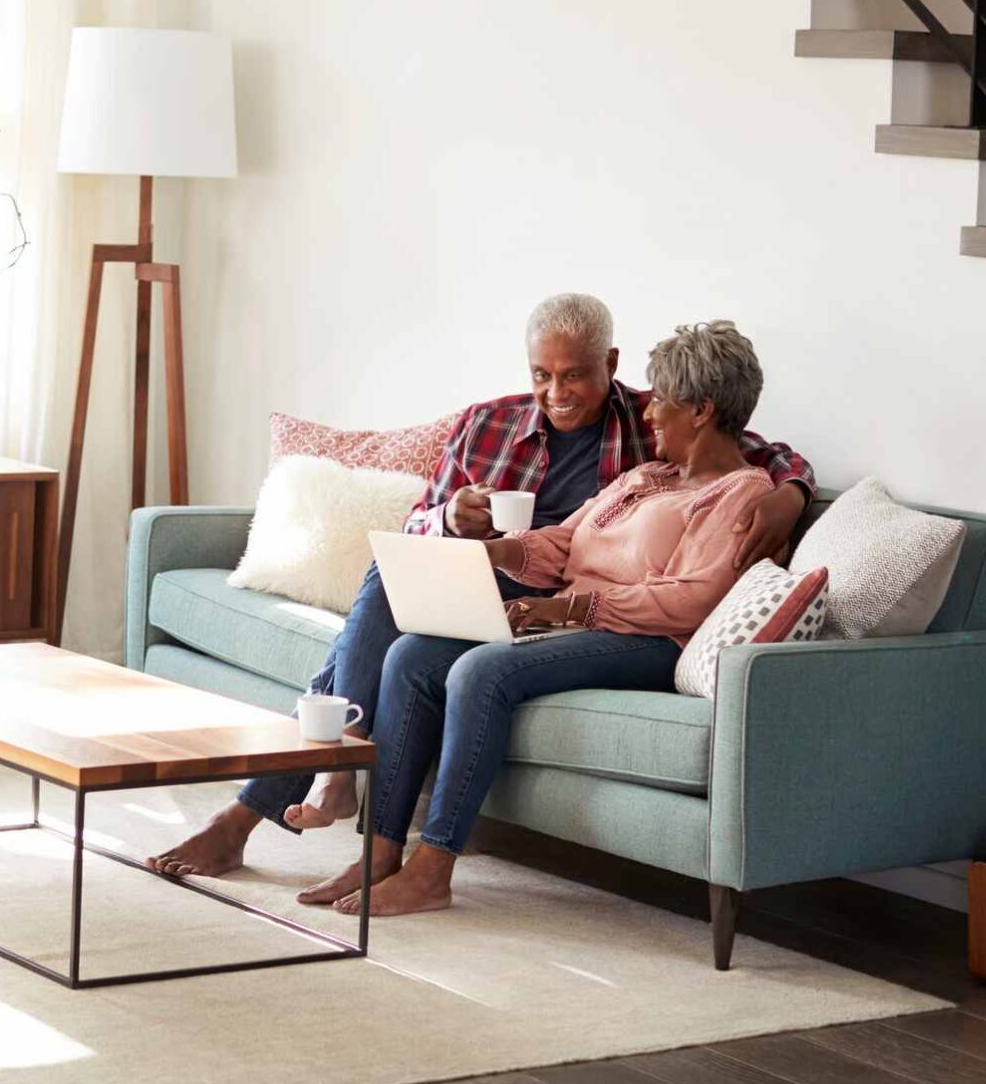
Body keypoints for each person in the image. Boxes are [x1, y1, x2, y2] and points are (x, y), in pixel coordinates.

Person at [146, 294, 815, 880]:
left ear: (610, 365)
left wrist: (791, 492)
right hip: (505, 568)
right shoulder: (503, 427)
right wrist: (456, 525)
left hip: (570, 601)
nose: (556, 392)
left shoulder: (653, 429)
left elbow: (746, 449)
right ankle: (340, 769)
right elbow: (445, 527)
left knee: (447, 657)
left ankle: (314, 783)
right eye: (541, 375)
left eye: (574, 374)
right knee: (392, 576)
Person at [311, 319, 777, 914]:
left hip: (647, 640)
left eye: (663, 399)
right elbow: (565, 541)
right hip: (574, 622)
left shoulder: (742, 494)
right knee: (411, 655)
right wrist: (496, 552)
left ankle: (434, 868)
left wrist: (568, 606)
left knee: (481, 672)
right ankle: (379, 852)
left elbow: (693, 596)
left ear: (703, 410)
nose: (651, 412)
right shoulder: (646, 478)